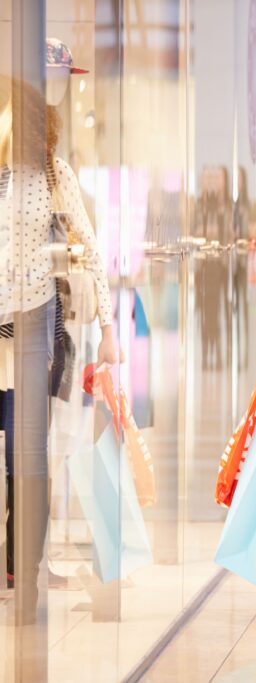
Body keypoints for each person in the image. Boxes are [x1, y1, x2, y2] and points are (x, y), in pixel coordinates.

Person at [1, 58, 116, 626]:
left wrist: (110, 330)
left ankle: (21, 562)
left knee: (26, 453)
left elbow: (88, 249)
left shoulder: (50, 172)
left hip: (27, 325)